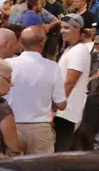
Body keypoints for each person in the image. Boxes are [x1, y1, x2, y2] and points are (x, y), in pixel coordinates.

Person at [5, 26, 66, 154]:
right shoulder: (52, 67)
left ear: (21, 42)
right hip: (40, 128)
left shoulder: (6, 64)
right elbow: (61, 104)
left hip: (11, 126)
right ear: (42, 43)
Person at [53, 14, 93, 150]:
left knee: (60, 151)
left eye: (67, 28)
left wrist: (55, 106)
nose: (62, 31)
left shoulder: (79, 52)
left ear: (78, 29)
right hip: (63, 110)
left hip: (66, 112)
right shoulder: (72, 49)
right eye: (61, 28)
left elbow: (69, 82)